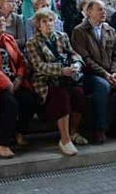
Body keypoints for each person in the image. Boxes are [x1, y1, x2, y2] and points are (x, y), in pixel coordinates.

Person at [0, 10, 38, 158]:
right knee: (10, 104)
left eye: (3, 21)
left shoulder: (9, 39)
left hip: (15, 81)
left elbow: (21, 61)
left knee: (30, 98)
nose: (2, 24)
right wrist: (7, 83)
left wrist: (20, 77)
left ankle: (19, 131)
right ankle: (0, 142)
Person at [72, 0, 116, 143]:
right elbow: (85, 59)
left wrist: (115, 73)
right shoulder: (80, 31)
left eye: (104, 9)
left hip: (110, 72)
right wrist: (104, 74)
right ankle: (99, 128)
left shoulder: (109, 29)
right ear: (89, 12)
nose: (103, 12)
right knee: (103, 86)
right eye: (99, 9)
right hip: (90, 74)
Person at [26, 9, 87, 156]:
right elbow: (38, 66)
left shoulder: (62, 36)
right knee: (61, 96)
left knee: (78, 94)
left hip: (67, 77)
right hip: (46, 81)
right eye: (44, 22)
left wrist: (77, 64)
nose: (48, 24)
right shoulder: (33, 42)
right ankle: (64, 140)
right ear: (38, 26)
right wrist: (61, 70)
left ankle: (72, 132)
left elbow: (73, 53)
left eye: (50, 21)